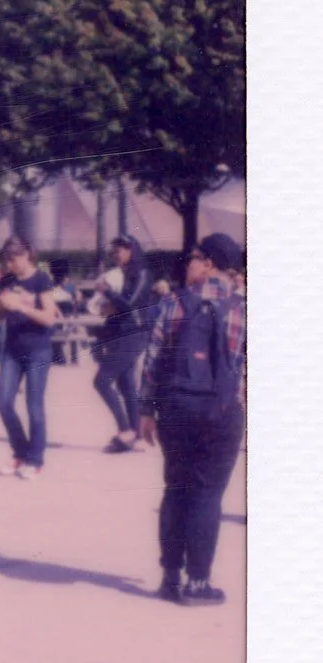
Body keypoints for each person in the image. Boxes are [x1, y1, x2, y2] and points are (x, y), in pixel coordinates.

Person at [138, 234, 247, 605]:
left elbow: (153, 360)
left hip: (176, 408)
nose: (188, 264)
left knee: (176, 489)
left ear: (210, 263)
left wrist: (145, 411)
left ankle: (170, 577)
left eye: (194, 258)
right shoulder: (243, 307)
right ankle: (198, 583)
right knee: (207, 495)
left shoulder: (174, 303)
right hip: (220, 411)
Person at [0, 237, 59, 478]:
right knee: (3, 401)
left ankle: (35, 460)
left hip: (38, 348)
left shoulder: (41, 280)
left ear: (27, 255)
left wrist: (22, 307)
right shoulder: (5, 279)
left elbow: (49, 318)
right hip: (12, 348)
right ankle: (20, 453)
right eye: (6, 258)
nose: (10, 264)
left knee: (34, 405)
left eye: (14, 258)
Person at [91, 235, 154, 452]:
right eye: (114, 251)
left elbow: (129, 304)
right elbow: (121, 307)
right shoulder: (126, 274)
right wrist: (107, 305)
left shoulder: (143, 274)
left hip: (134, 334)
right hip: (122, 332)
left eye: (120, 250)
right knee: (126, 384)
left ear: (131, 251)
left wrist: (106, 291)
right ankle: (136, 436)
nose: (116, 254)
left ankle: (125, 430)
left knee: (101, 380)